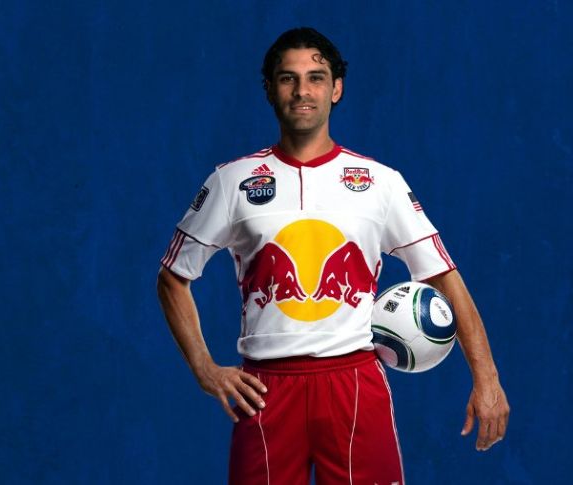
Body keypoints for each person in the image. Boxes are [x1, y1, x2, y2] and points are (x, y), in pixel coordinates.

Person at [157, 27, 509, 485]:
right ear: (270, 89)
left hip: (354, 383)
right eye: (288, 78)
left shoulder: (379, 182)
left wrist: (487, 379)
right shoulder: (232, 181)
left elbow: (443, 275)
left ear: (336, 89)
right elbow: (172, 277)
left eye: (316, 78)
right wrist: (205, 369)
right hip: (265, 389)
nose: (302, 91)